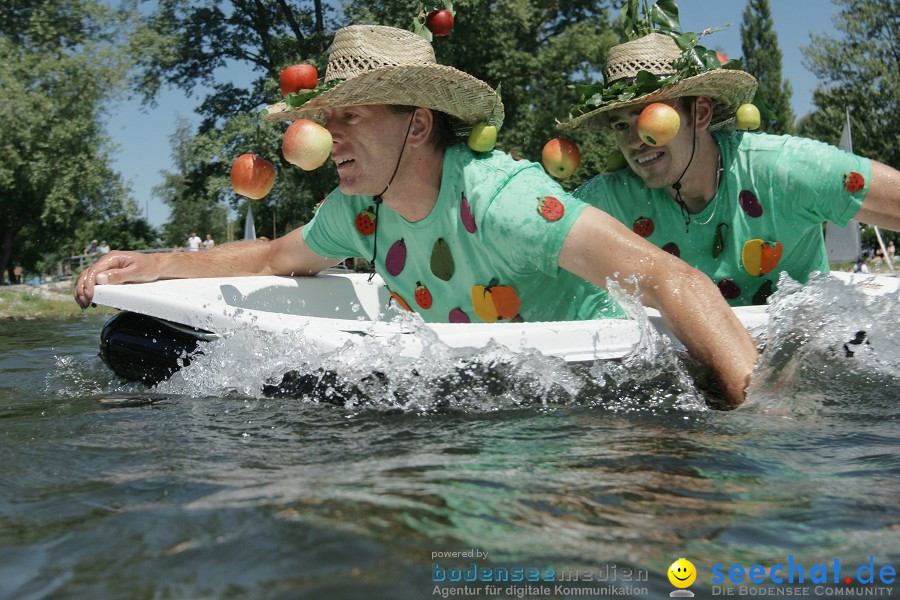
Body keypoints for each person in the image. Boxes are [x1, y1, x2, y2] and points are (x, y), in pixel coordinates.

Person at [75, 25, 756, 407]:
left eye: (351, 118)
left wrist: (755, 421)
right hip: (491, 398)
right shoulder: (361, 213)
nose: (329, 138)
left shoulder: (507, 199)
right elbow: (276, 257)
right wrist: (157, 265)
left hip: (603, 392)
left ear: (417, 126)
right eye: (324, 121)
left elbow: (672, 279)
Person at [562, 28, 900, 306]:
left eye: (650, 117)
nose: (637, 140)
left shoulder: (782, 171)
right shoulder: (609, 202)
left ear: (701, 113)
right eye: (621, 125)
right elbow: (531, 253)